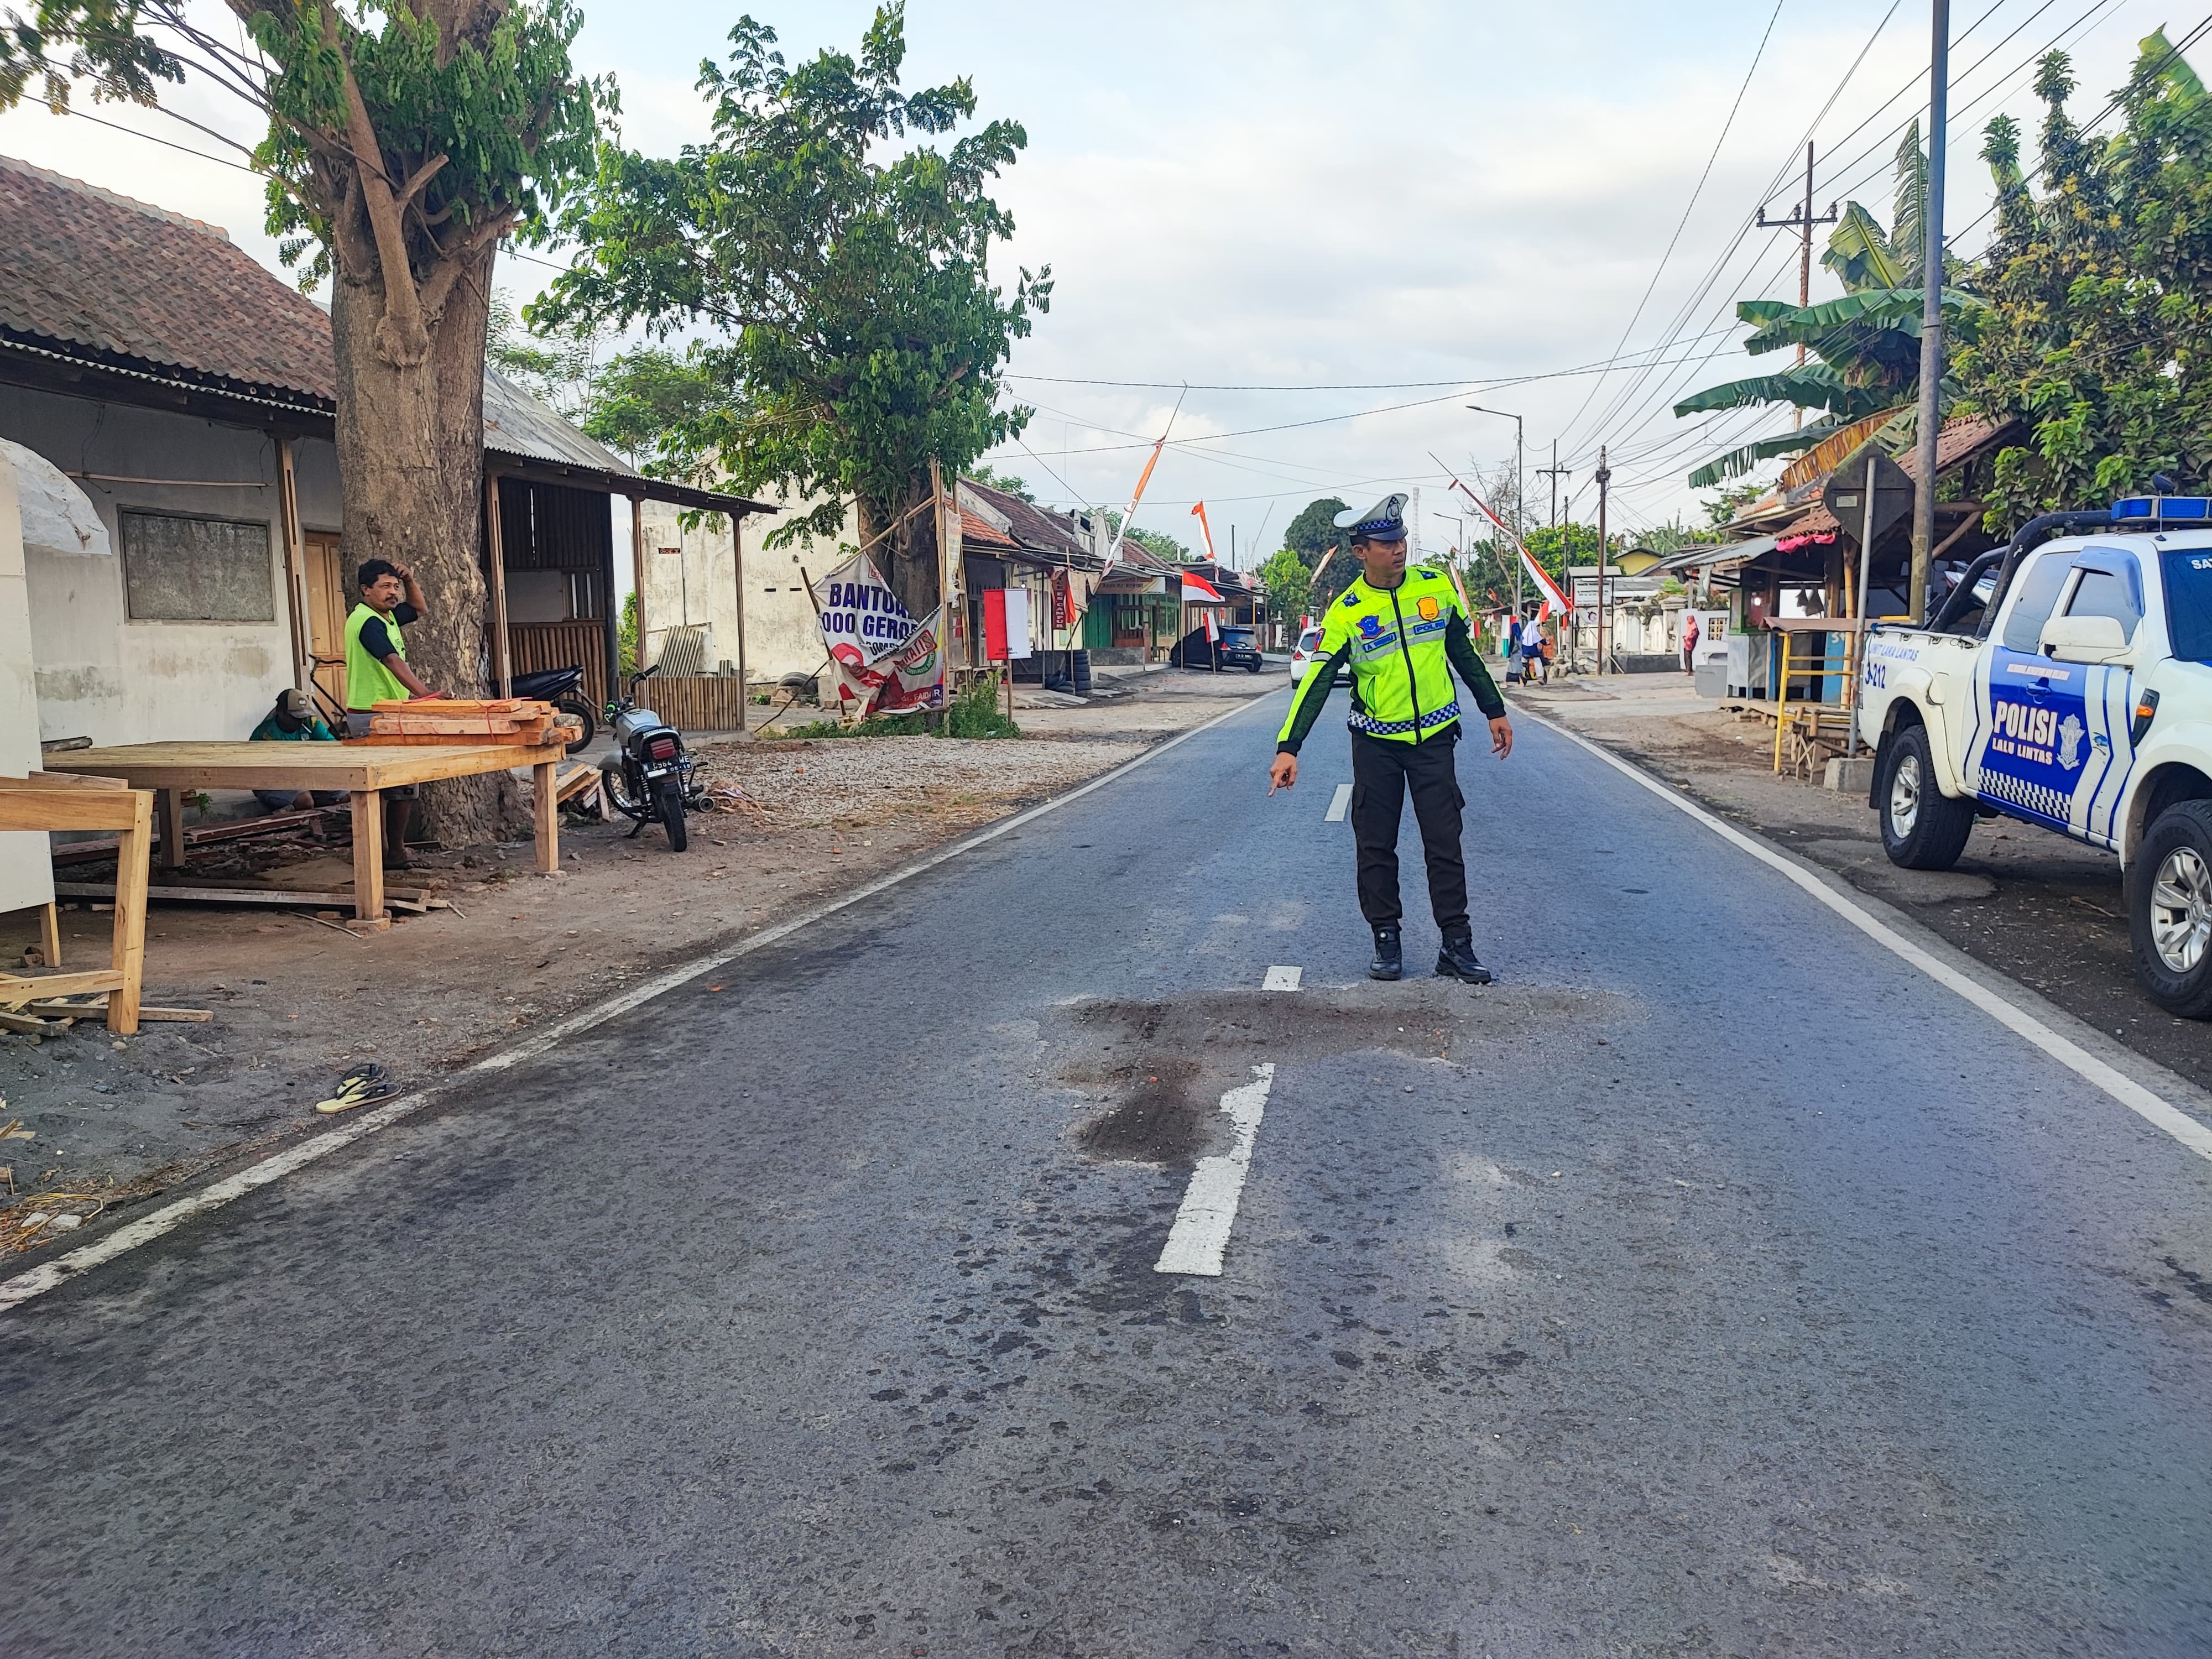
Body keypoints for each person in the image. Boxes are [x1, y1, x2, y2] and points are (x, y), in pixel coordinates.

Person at [1268, 493, 1512, 984]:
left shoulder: (1436, 587)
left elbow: (1463, 653)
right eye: (1385, 543)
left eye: (1400, 540)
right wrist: (1289, 746)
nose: (1397, 550)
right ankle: (1386, 937)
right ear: (1362, 551)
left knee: (1445, 841)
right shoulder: (1347, 612)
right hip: (1376, 743)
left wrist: (1495, 709)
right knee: (1375, 843)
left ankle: (1457, 944)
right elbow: (1317, 682)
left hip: (1435, 740)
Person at [345, 558, 446, 870]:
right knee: (380, 789)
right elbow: (392, 660)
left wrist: (411, 581)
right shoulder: (368, 622)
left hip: (393, 712)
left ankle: (393, 852)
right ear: (366, 590)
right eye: (385, 587)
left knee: (402, 787)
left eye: (395, 587)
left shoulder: (385, 617)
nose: (393, 593)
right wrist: (426, 696)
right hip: (373, 714)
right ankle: (384, 854)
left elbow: (419, 610)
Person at [248, 688, 347, 816]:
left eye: (304, 716)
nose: (301, 721)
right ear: (281, 713)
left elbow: (333, 748)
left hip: (306, 778)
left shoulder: (311, 723)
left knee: (346, 796)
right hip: (273, 781)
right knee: (305, 801)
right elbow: (263, 773)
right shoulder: (266, 735)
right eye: (296, 717)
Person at [1521, 607, 1548, 686]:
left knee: (1523, 662)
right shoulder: (1535, 634)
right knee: (1538, 662)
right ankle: (1540, 678)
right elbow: (1542, 641)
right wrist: (1545, 643)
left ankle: (1522, 679)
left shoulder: (1524, 634)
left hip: (1525, 653)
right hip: (1534, 653)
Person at [1682, 611, 1700, 676]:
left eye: (1689, 619)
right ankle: (1688, 669)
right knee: (1686, 657)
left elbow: (1694, 635)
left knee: (1688, 657)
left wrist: (1688, 638)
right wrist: (1686, 637)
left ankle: (1689, 670)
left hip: (1690, 644)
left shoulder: (1694, 626)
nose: (1688, 621)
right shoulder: (1689, 626)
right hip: (1687, 643)